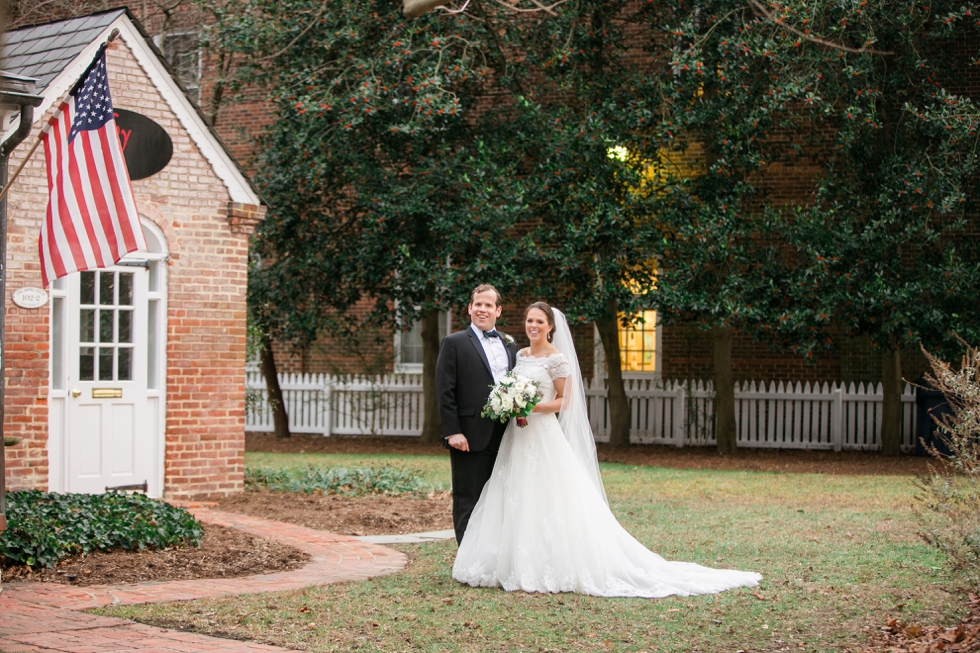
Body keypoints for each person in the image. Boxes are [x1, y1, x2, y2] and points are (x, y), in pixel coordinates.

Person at [452, 301, 762, 597]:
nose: (533, 325)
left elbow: (565, 401)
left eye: (539, 322)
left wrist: (531, 407)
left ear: (550, 327)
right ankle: (512, 560)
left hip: (542, 435)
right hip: (517, 437)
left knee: (547, 496)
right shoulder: (520, 355)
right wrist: (510, 403)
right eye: (529, 321)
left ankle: (548, 564)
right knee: (515, 493)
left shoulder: (557, 359)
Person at [435, 284, 519, 544]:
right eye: (478, 305)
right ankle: (467, 559)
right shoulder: (454, 343)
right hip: (468, 435)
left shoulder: (510, 343)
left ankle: (494, 552)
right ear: (470, 308)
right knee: (468, 497)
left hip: (506, 434)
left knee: (501, 495)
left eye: (488, 305)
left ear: (498, 311)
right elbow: (444, 390)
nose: (483, 309)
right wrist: (452, 431)